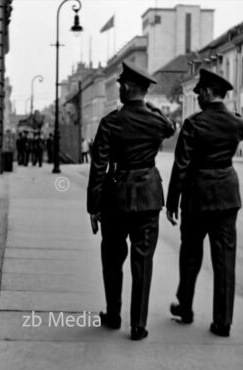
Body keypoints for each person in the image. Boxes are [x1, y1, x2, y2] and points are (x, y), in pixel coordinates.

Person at [87, 61, 175, 341]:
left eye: (121, 85)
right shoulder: (155, 121)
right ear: (144, 92)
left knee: (112, 259)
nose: (119, 89)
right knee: (143, 261)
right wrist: (149, 107)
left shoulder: (111, 122)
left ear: (126, 87)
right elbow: (170, 127)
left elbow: (98, 166)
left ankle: (113, 315)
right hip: (148, 197)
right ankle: (138, 324)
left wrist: (94, 205)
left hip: (116, 198)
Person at [166, 68, 243, 337]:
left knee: (190, 255)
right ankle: (223, 321)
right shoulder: (237, 123)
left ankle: (185, 307)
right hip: (226, 195)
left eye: (200, 91)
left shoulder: (193, 123)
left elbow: (182, 165)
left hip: (197, 197)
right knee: (225, 259)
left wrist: (172, 201)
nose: (197, 95)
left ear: (209, 92)